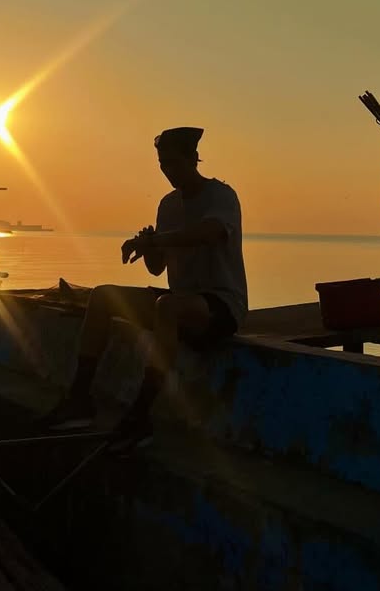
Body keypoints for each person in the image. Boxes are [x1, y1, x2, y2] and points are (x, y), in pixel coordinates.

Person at [43, 126, 246, 452]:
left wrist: (156, 240)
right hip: (179, 301)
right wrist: (151, 247)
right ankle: (79, 398)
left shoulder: (221, 196)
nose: (168, 171)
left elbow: (209, 233)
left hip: (220, 306)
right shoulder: (168, 205)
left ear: (194, 158)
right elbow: (157, 268)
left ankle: (140, 416)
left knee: (166, 306)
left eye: (174, 163)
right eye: (163, 164)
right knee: (102, 296)